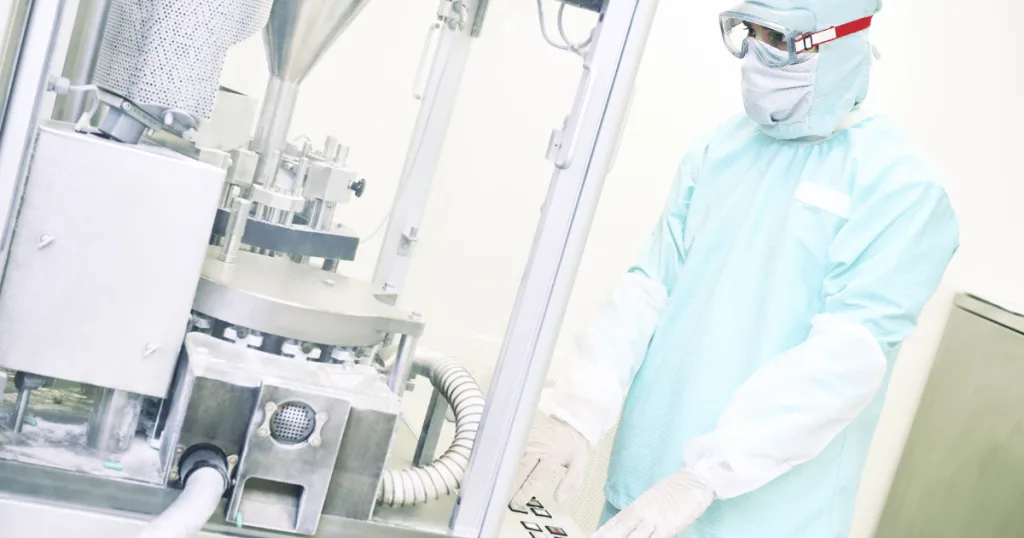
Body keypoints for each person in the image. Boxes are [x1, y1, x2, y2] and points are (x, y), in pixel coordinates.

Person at [510, 1, 959, 537]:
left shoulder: (901, 189)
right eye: (750, 33)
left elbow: (845, 360)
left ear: (844, 42)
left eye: (781, 39)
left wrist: (707, 476)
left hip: (766, 517)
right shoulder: (721, 148)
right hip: (646, 492)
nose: (757, 56)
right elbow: (649, 288)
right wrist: (576, 412)